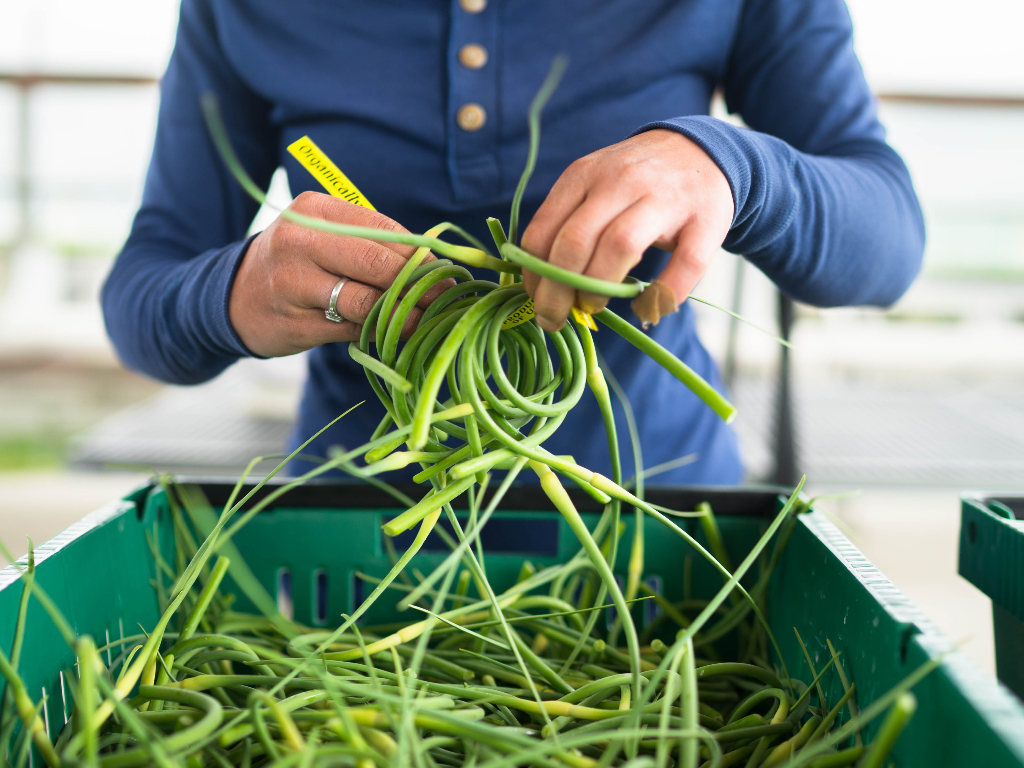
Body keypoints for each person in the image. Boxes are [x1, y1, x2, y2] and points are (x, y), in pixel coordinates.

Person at [102, 0, 924, 484]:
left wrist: (735, 168)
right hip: (359, 533)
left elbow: (889, 242)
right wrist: (233, 292)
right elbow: (143, 292)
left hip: (663, 517)